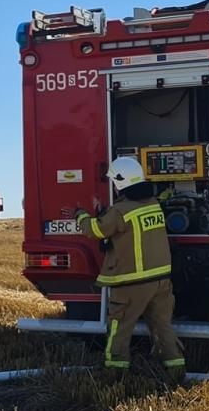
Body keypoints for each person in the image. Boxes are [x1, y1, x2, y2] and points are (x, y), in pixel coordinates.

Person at [75, 157, 185, 382]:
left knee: (120, 327)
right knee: (163, 325)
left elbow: (96, 230)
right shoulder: (153, 204)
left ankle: (115, 371)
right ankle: (176, 368)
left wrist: (81, 215)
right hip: (161, 280)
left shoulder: (120, 211)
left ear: (119, 182)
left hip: (132, 283)